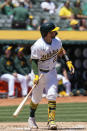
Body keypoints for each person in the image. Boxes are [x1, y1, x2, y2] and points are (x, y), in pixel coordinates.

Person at [28, 22, 75, 130]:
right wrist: (35, 76)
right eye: (52, 31)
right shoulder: (38, 45)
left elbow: (61, 51)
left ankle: (51, 121)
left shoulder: (57, 41)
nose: (55, 32)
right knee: (36, 98)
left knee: (52, 95)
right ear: (46, 33)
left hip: (51, 72)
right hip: (39, 73)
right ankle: (31, 118)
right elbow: (34, 62)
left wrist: (68, 61)